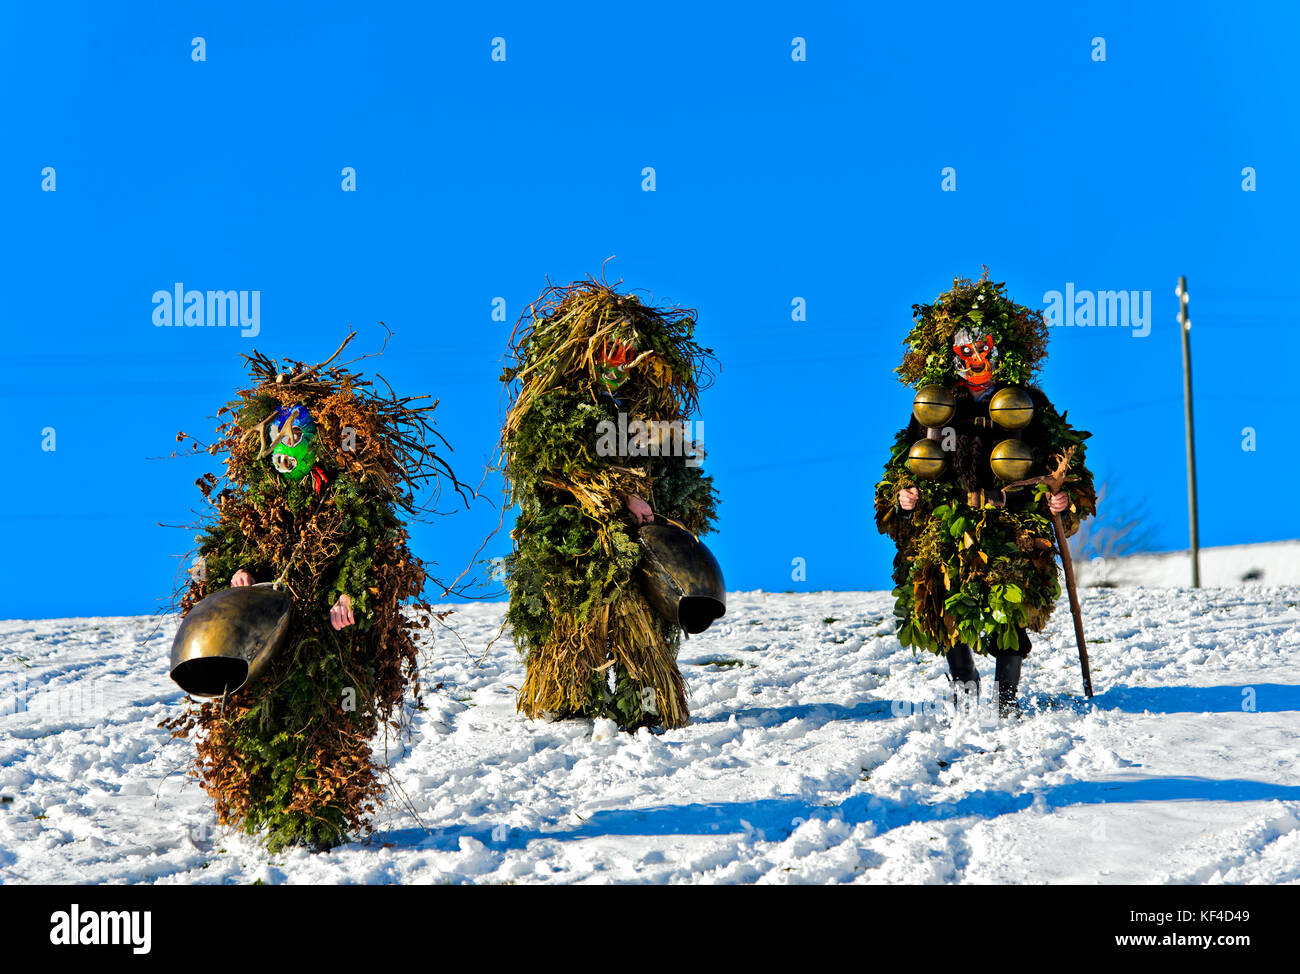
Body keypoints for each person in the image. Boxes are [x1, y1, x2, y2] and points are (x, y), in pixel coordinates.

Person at [875, 272, 1097, 717]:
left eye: (982, 349)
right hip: (951, 519)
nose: (976, 359)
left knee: (1011, 600)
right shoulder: (936, 407)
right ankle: (963, 686)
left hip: (1011, 518)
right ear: (952, 357)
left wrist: (1063, 497)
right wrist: (905, 496)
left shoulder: (1029, 403)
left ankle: (1006, 700)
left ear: (999, 352)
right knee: (941, 593)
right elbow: (906, 466)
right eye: (966, 351)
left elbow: (1065, 464)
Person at [500, 279, 718, 731]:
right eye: (610, 356)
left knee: (640, 632)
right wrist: (620, 493)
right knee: (580, 625)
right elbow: (558, 464)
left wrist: (682, 512)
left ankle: (649, 710)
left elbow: (675, 463)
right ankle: (572, 708)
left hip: (640, 549)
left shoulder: (642, 414)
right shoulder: (556, 409)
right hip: (577, 546)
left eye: (629, 358)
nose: (620, 369)